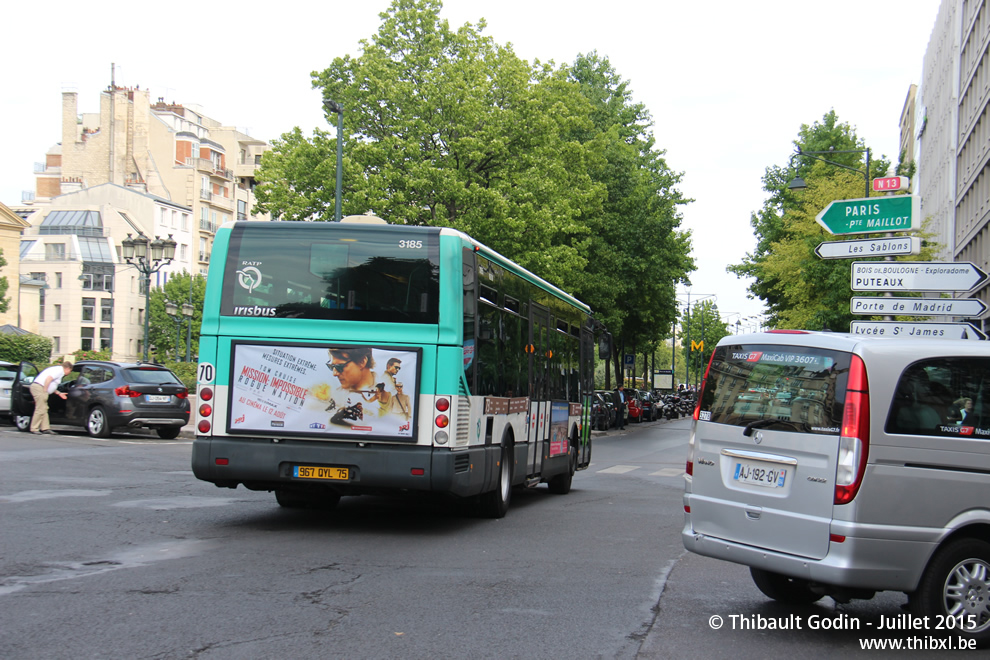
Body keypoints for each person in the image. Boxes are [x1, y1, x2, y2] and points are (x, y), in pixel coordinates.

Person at [30, 361, 73, 435]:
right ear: (68, 368)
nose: (70, 373)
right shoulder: (59, 371)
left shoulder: (58, 370)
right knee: (40, 408)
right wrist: (45, 391)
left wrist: (59, 393)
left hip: (40, 387)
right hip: (39, 387)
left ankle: (45, 428)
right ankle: (34, 428)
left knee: (44, 408)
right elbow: (48, 379)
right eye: (70, 371)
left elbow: (52, 385)